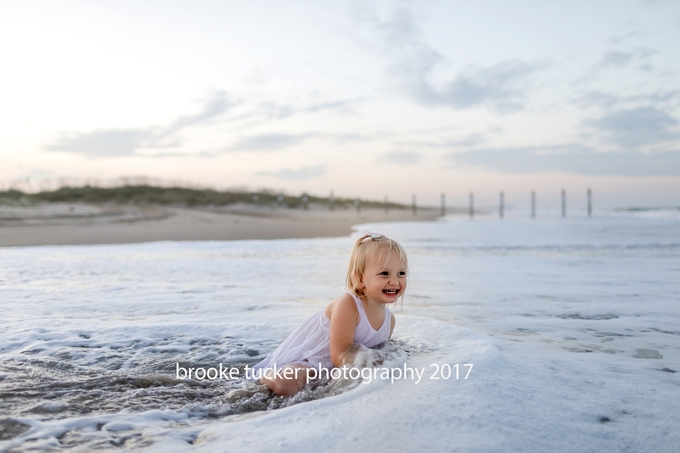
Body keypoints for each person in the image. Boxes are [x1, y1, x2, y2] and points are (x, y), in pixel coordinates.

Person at [251, 233, 408, 396]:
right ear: (360, 279)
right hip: (307, 362)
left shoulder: (390, 322)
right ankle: (264, 378)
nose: (395, 281)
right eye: (384, 274)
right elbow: (340, 356)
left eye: (401, 273)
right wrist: (380, 360)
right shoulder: (348, 305)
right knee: (286, 384)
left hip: (329, 374)